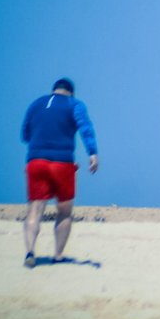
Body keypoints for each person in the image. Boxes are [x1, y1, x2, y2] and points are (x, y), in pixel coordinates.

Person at [20, 77, 99, 268]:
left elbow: (25, 134)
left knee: (34, 210)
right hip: (62, 163)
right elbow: (85, 128)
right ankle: (58, 255)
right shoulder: (74, 104)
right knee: (64, 212)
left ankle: (30, 251)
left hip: (36, 161)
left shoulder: (35, 104)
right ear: (71, 92)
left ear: (54, 89)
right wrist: (92, 153)